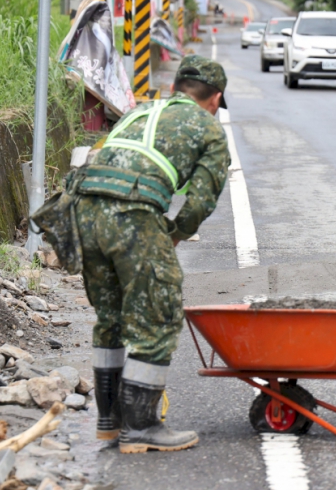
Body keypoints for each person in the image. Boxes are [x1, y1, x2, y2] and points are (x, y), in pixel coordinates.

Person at [76, 55, 230, 453]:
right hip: (133, 210)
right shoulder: (207, 126)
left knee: (110, 318)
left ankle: (109, 421)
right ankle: (141, 426)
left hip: (84, 208)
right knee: (158, 314)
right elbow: (201, 199)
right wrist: (176, 234)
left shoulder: (139, 111)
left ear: (178, 88)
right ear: (214, 99)